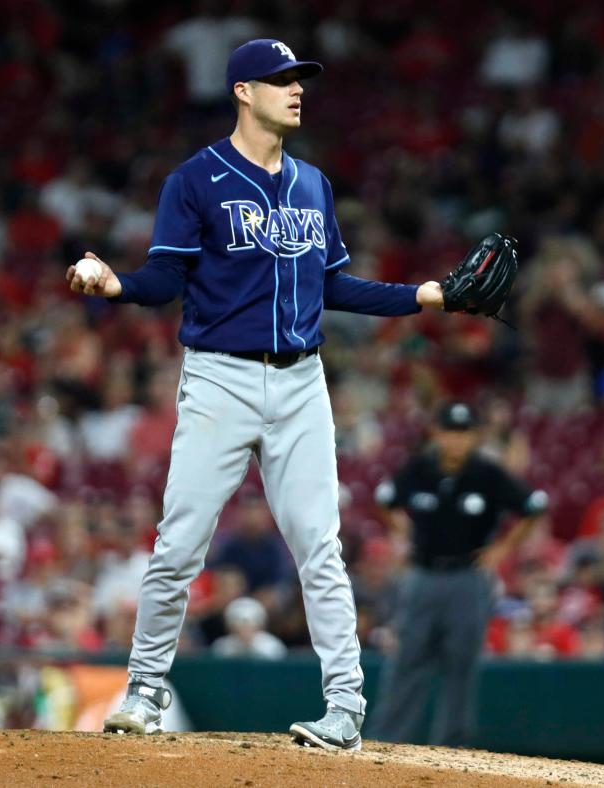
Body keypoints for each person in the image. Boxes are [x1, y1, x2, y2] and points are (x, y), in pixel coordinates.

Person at [66, 39, 453, 751]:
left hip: (303, 379)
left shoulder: (313, 184)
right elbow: (164, 277)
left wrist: (424, 295)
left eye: (299, 79)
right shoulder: (197, 179)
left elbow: (333, 285)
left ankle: (345, 707)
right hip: (220, 376)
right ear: (243, 91)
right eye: (281, 80)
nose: (296, 90)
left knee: (321, 546)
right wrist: (114, 283)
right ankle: (145, 689)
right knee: (180, 543)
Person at [369, 402, 547, 746]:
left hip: (468, 578)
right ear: (436, 433)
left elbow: (533, 506)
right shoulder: (420, 468)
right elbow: (385, 498)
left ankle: (451, 751)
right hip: (422, 575)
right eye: (450, 431)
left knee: (461, 665)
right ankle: (387, 744)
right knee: (408, 661)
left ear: (475, 437)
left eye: (463, 432)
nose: (456, 440)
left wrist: (504, 548)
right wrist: (401, 530)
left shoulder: (487, 473)